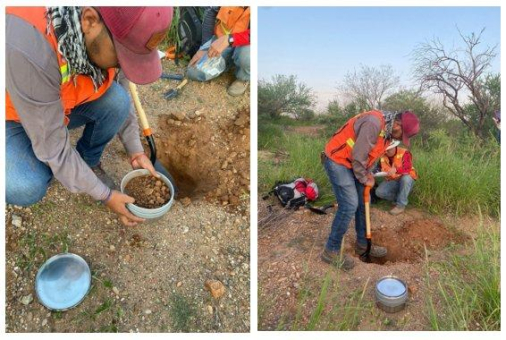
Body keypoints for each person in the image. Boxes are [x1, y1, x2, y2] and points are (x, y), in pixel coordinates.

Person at [6, 7, 173, 227]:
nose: (123, 65)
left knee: (117, 101)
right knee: (24, 185)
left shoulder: (108, 27)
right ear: (89, 20)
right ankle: (56, 163)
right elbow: (52, 147)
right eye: (122, 57)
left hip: (55, 106)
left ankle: (87, 163)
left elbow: (121, 85)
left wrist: (135, 150)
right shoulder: (29, 46)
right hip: (10, 115)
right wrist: (105, 195)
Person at [321, 110, 420, 270]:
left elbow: (371, 156)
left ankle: (363, 245)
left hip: (354, 164)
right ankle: (331, 250)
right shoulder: (373, 123)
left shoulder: (388, 133)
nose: (400, 140)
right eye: (402, 135)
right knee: (349, 205)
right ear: (397, 124)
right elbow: (359, 156)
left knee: (363, 202)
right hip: (338, 161)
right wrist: (365, 177)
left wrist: (368, 174)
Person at [187, 6, 250, 97]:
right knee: (193, 72)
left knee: (247, 57)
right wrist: (205, 47)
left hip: (245, 44)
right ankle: (227, 62)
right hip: (220, 40)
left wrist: (229, 39)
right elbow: (211, 13)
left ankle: (243, 77)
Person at [375, 146, 418, 215]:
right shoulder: (383, 155)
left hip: (406, 178)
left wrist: (396, 170)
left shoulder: (404, 152)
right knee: (379, 192)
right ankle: (401, 197)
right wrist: (373, 173)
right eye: (385, 150)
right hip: (392, 179)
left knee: (406, 179)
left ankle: (400, 205)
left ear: (394, 147)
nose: (386, 152)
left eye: (388, 150)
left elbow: (407, 168)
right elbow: (378, 168)